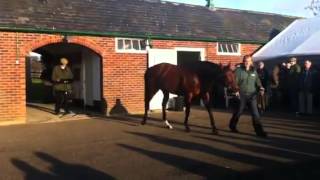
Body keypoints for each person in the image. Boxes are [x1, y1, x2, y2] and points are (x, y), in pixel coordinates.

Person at [229, 55, 268, 137]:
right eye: (245, 61)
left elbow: (257, 80)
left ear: (251, 62)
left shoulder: (254, 71)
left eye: (248, 61)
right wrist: (235, 90)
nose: (247, 62)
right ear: (243, 61)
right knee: (238, 112)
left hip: (252, 95)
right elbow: (234, 82)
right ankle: (232, 125)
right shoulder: (238, 71)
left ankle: (259, 131)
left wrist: (261, 87)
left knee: (255, 114)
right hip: (241, 94)